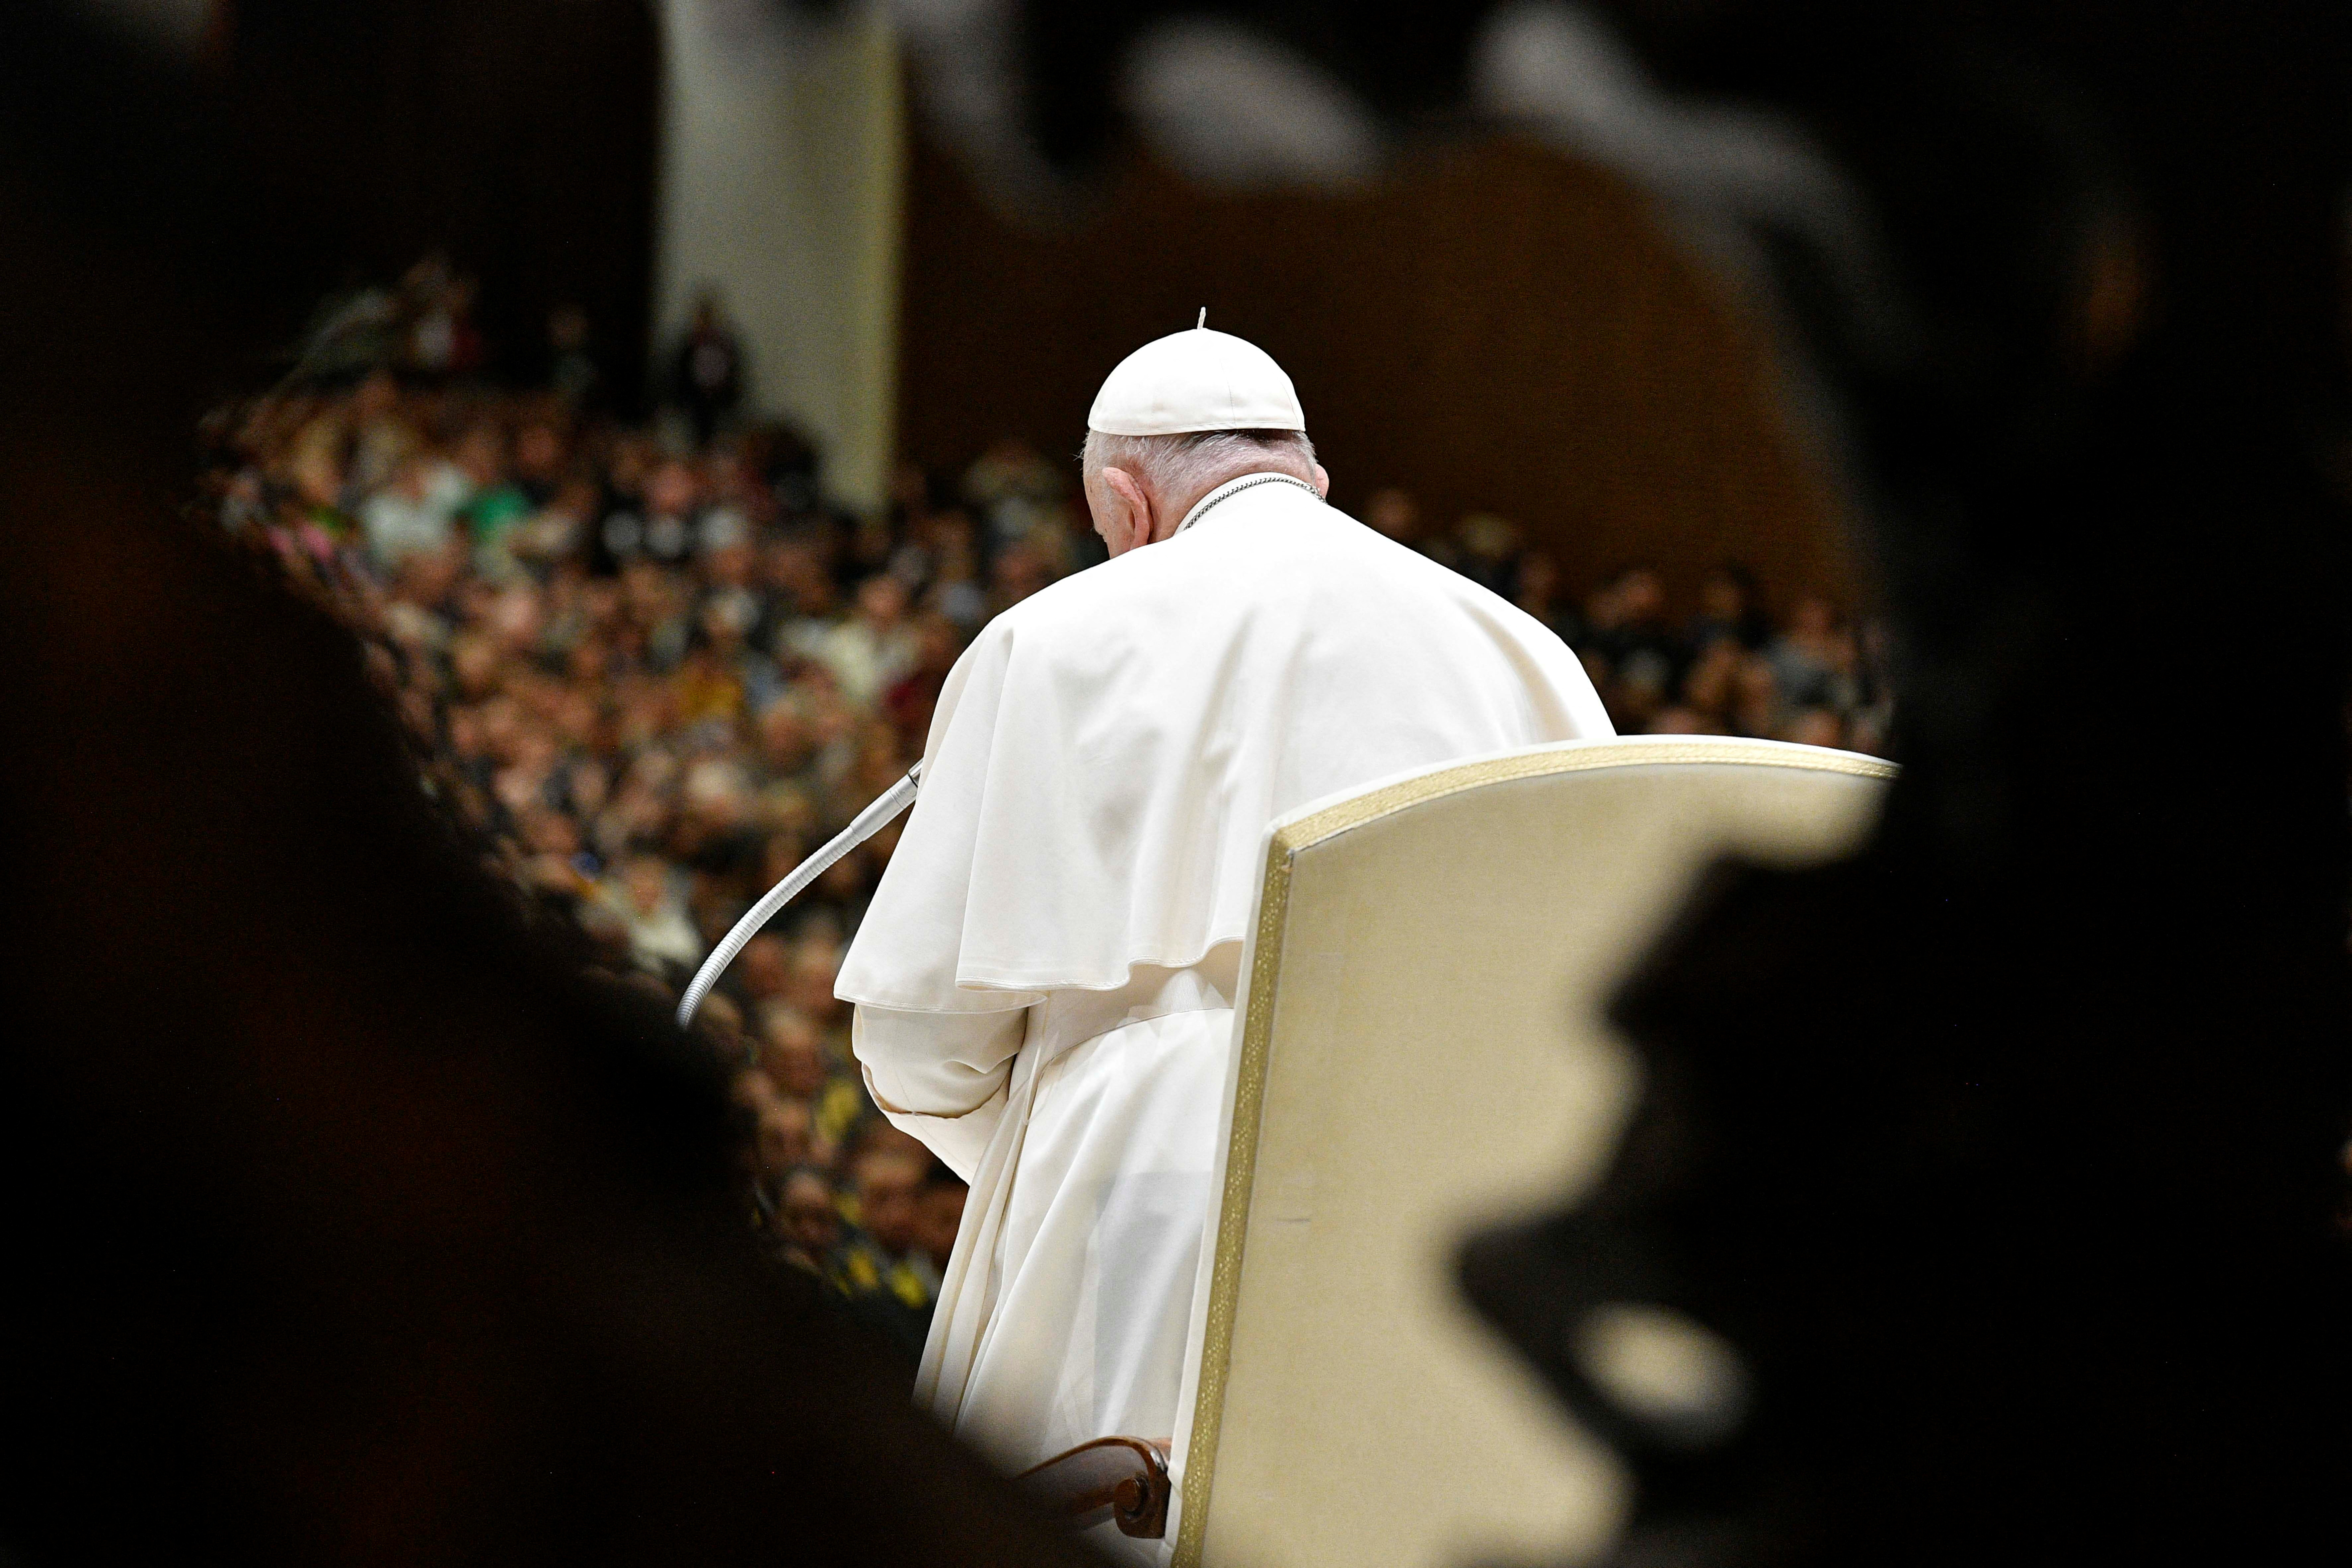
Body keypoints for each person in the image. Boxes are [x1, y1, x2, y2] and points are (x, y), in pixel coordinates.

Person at [834, 322, 1613, 1554]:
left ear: (1125, 500)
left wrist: (1046, 1158)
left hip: (1130, 1182)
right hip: (1438, 1198)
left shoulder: (1053, 639)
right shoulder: (1521, 649)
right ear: (1309, 474)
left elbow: (922, 1039)